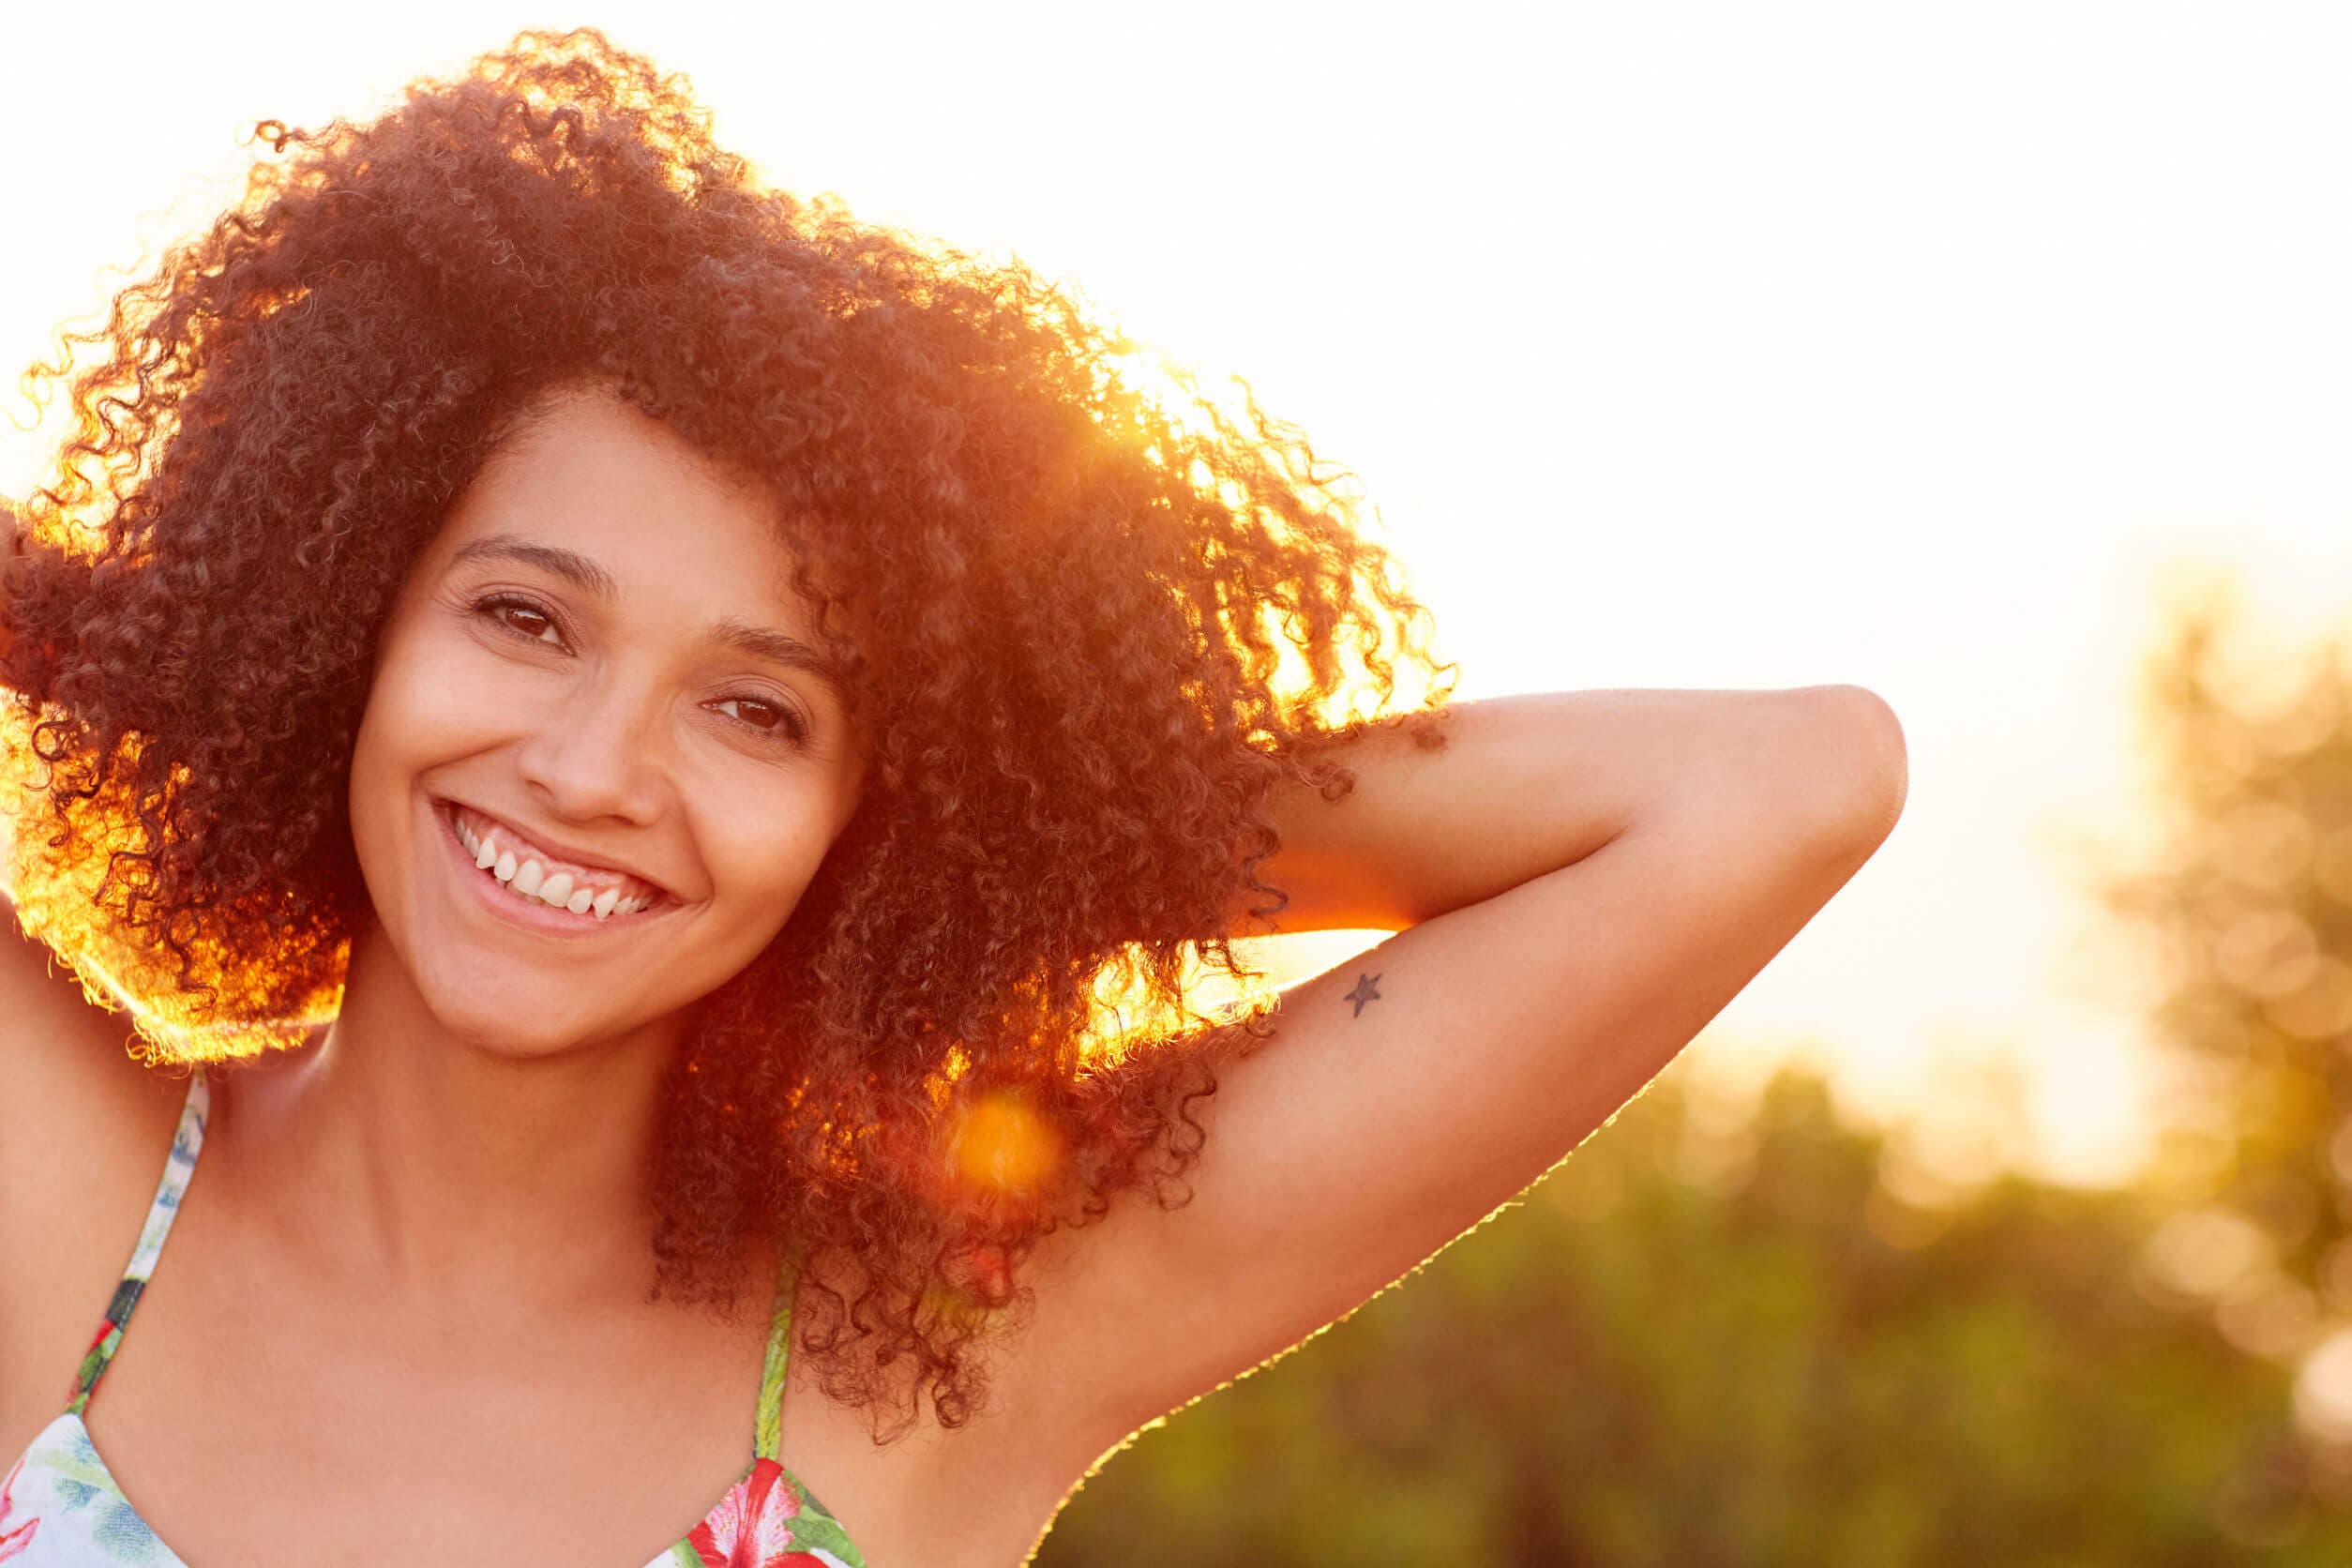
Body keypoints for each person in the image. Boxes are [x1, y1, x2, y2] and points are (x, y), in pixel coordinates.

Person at [0, 26, 1907, 1568]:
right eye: (520, 617)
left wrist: (1001, 854)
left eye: (758, 712)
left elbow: (1777, 783)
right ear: (347, 614)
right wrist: (164, 647)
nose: (592, 771)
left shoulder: (936, 1352)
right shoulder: (65, 1208)